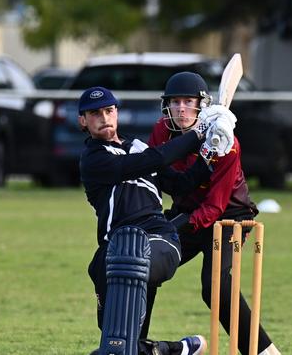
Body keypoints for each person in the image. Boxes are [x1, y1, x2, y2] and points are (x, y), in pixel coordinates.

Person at [77, 86, 236, 355]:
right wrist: (198, 133)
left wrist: (210, 149)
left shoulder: (137, 146)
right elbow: (156, 157)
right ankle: (172, 350)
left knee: (131, 254)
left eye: (108, 110)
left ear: (116, 113)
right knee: (118, 347)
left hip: (161, 240)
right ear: (83, 120)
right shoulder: (93, 159)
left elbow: (181, 184)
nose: (103, 118)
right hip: (116, 248)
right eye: (94, 114)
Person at [146, 72, 281, 355]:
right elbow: (159, 177)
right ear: (166, 106)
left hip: (230, 217)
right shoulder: (161, 132)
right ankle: (132, 345)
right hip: (186, 210)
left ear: (201, 105)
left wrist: (178, 226)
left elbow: (215, 206)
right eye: (174, 102)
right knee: (144, 267)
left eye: (188, 101)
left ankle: (264, 352)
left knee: (215, 288)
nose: (181, 108)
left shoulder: (227, 143)